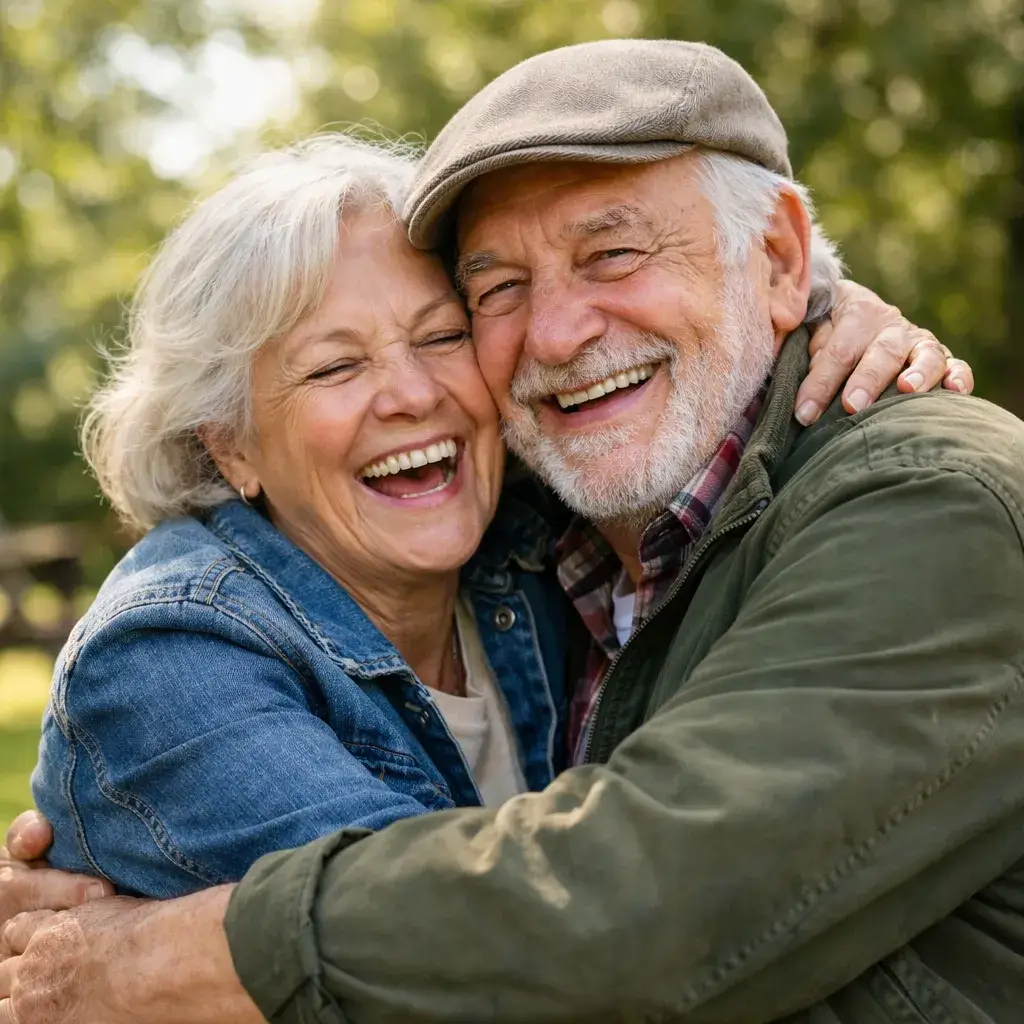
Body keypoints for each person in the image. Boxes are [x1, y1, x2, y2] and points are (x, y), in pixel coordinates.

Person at [2, 38, 1014, 1024]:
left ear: (779, 256)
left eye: (441, 335)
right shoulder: (201, 644)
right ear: (229, 447)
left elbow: (614, 917)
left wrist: (143, 967)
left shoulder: (914, 503)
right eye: (496, 293)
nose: (556, 333)